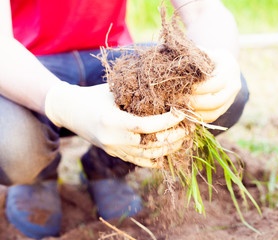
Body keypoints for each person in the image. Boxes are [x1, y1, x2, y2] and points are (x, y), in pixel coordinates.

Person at [0, 0, 249, 238]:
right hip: (23, 64)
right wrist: (61, 102)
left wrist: (218, 58)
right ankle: (37, 176)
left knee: (222, 96)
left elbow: (202, 7)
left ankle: (107, 167)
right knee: (8, 140)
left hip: (111, 54)